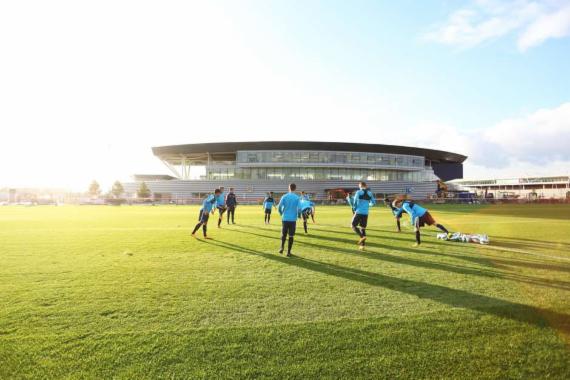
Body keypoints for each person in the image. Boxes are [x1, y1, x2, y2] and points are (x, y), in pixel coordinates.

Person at [277, 184, 301, 256]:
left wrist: (281, 213)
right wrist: (299, 215)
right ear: (295, 188)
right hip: (293, 219)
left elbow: (279, 206)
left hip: (285, 218)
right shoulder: (297, 198)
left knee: (284, 234)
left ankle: (281, 248)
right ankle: (288, 252)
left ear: (289, 188)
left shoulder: (284, 196)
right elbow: (299, 209)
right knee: (291, 235)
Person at [352, 182, 377, 250]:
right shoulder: (370, 193)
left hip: (359, 212)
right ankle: (362, 246)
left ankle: (362, 236)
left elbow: (355, 201)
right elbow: (373, 203)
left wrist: (354, 209)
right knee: (362, 228)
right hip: (365, 213)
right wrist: (367, 205)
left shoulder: (358, 192)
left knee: (353, 226)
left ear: (360, 186)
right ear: (366, 186)